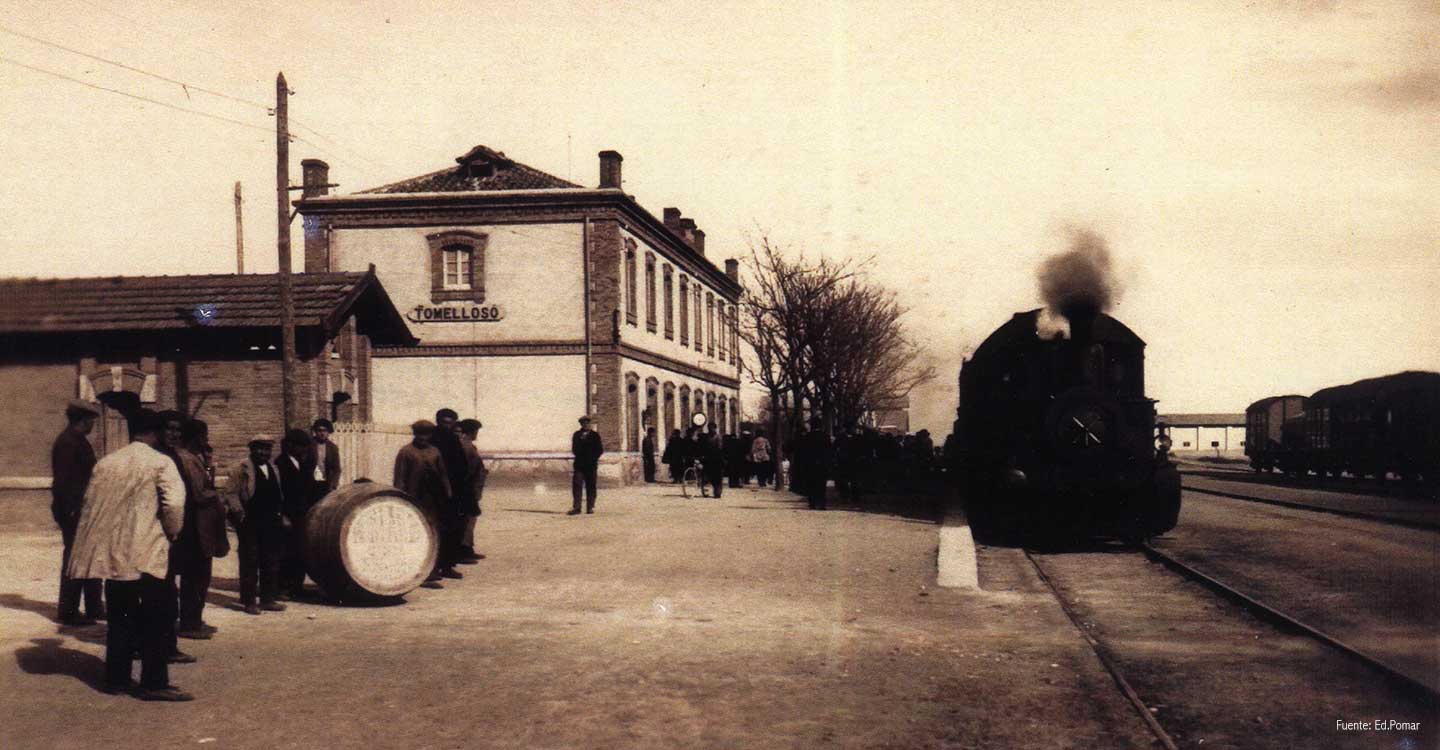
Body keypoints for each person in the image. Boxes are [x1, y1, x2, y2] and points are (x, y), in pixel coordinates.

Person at [67, 408, 191, 701]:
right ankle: (154, 682)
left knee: (120, 616)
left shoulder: (107, 462)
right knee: (157, 619)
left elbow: (90, 505)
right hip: (148, 551)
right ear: (157, 432)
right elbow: (174, 505)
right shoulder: (161, 462)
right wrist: (172, 533)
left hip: (115, 554)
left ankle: (116, 678)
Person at [173, 419, 229, 642]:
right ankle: (190, 622)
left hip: (198, 526)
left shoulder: (193, 459)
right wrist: (217, 495)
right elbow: (200, 494)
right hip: (197, 528)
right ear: (196, 437)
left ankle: (193, 618)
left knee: (196, 577)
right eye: (203, 435)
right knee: (196, 576)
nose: (206, 439)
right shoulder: (187, 460)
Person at [51, 399, 104, 625]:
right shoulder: (68, 443)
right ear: (84, 420)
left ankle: (94, 608)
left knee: (90, 556)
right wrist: (70, 511)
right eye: (92, 420)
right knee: (75, 559)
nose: (93, 424)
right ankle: (68, 611)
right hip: (74, 511)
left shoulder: (78, 440)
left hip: (84, 510)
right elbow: (62, 483)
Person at [228, 436, 287, 615]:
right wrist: (240, 514)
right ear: (252, 449)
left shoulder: (273, 469)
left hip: (270, 521)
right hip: (250, 521)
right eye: (259, 449)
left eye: (267, 449)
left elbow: (278, 494)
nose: (263, 453)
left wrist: (280, 515)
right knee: (250, 561)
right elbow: (231, 493)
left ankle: (268, 599)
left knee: (270, 560)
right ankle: (249, 601)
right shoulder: (240, 468)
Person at [393, 420, 453, 588]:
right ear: (414, 434)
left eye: (426, 434)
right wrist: (401, 499)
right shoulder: (406, 452)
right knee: (416, 535)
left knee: (433, 534)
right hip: (414, 499)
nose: (423, 438)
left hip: (433, 499)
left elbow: (443, 475)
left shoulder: (435, 452)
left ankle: (431, 570)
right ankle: (418, 573)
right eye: (420, 434)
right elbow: (400, 478)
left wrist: (447, 493)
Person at [428, 408, 469, 579]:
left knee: (452, 529)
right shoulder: (431, 440)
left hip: (454, 491)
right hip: (435, 491)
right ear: (438, 421)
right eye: (444, 422)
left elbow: (461, 466)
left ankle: (447, 565)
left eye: (451, 422)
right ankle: (433, 567)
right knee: (436, 529)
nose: (447, 425)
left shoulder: (454, 439)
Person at [276, 428, 314, 599]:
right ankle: (283, 587)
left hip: (301, 514)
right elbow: (278, 492)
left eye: (305, 446)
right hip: (288, 515)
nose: (304, 449)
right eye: (301, 446)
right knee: (285, 552)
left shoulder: (302, 463)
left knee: (300, 551)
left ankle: (297, 587)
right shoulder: (281, 463)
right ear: (291, 445)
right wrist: (282, 515)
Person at [456, 418, 488, 564]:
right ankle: (463, 551)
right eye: (476, 431)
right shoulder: (466, 446)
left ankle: (468, 549)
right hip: (468, 490)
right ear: (472, 432)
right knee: (466, 520)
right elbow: (468, 470)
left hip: (472, 489)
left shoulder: (467, 445)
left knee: (470, 519)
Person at [794, 418, 832, 510]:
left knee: (811, 483)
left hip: (810, 464)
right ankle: (822, 503)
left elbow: (803, 451)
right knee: (822, 484)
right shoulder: (825, 436)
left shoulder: (807, 437)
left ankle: (812, 503)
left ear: (812, 426)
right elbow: (829, 451)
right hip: (822, 463)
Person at [570, 416, 604, 515]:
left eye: (588, 423)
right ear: (581, 424)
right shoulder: (576, 435)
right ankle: (577, 507)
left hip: (591, 465)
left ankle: (590, 507)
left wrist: (592, 458)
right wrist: (581, 456)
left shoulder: (595, 435)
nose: (586, 425)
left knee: (591, 486)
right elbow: (574, 449)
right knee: (577, 485)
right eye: (584, 423)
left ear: (590, 424)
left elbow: (599, 450)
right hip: (579, 465)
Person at [309, 418, 341, 503]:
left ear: (328, 432)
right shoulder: (309, 445)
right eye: (319, 430)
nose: (322, 433)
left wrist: (333, 485)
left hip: (326, 484)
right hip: (311, 484)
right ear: (315, 431)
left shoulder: (332, 447)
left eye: (325, 431)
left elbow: (337, 469)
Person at [702, 425, 726, 498]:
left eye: (712, 428)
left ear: (715, 429)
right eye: (709, 429)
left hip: (717, 460)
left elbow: (720, 449)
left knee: (718, 477)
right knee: (708, 477)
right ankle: (707, 491)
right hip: (708, 460)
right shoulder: (706, 437)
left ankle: (717, 492)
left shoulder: (718, 438)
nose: (710, 430)